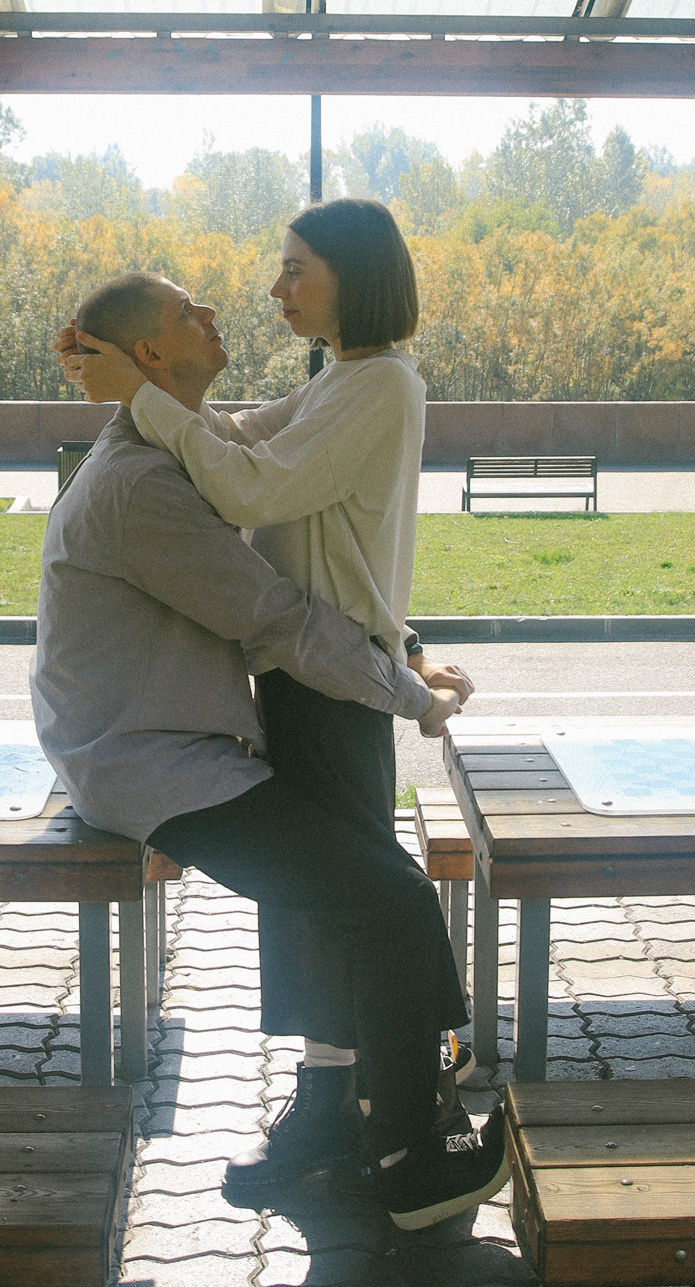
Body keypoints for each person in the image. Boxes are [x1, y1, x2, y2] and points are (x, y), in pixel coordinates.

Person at [33, 266, 503, 1232]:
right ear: (156, 354)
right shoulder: (139, 486)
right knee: (394, 902)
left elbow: (275, 486)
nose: (216, 310)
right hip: (151, 768)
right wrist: (409, 694)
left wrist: (398, 645)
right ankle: (415, 1157)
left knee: (348, 890)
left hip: (177, 752)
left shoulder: (172, 448)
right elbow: (274, 618)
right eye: (185, 311)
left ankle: (346, 1113)